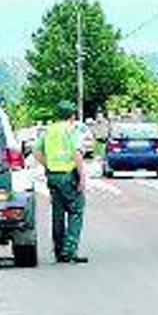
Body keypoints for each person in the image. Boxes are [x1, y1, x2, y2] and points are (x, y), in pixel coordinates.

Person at [34, 100, 88, 264]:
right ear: (72, 116)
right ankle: (69, 251)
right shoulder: (72, 130)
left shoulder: (48, 131)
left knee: (58, 213)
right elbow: (77, 154)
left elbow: (36, 152)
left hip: (52, 176)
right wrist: (82, 176)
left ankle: (58, 251)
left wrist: (49, 165)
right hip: (68, 175)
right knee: (76, 211)